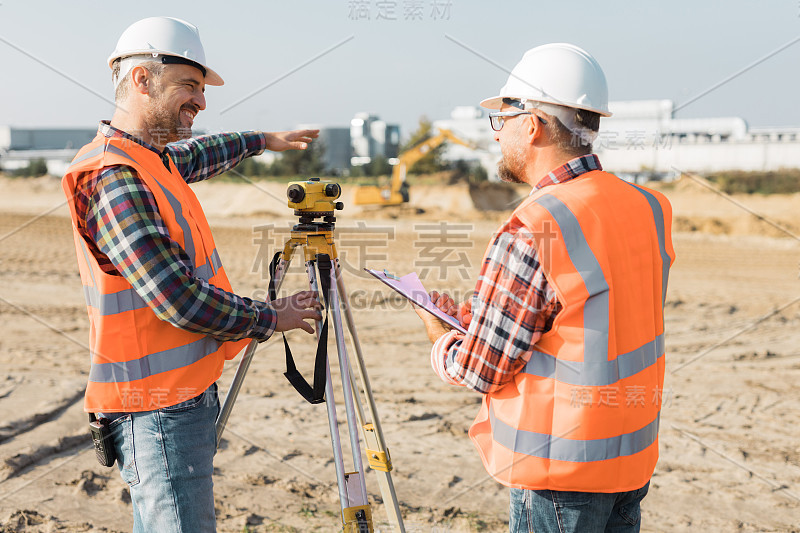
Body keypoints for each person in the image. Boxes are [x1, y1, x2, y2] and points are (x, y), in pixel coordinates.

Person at [61, 17, 322, 533]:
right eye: (189, 86)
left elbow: (197, 154)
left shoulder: (150, 160)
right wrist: (274, 316)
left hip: (178, 397)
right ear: (142, 80)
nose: (201, 102)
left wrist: (262, 140)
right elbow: (179, 299)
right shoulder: (115, 176)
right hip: (155, 408)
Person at [415, 43, 675, 533]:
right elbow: (593, 322)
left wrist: (441, 336)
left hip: (561, 472)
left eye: (502, 121)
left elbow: (482, 369)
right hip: (629, 458)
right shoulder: (649, 207)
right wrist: (485, 322)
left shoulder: (536, 224)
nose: (497, 137)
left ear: (531, 124)